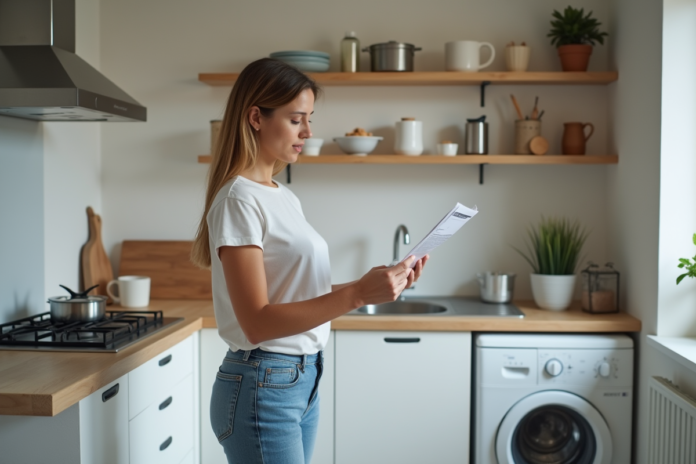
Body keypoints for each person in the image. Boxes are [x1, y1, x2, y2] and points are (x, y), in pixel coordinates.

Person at [191, 58, 428, 464]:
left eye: (309, 119)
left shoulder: (281, 195)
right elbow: (257, 322)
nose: (308, 132)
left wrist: (376, 285)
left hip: (300, 379)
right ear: (256, 117)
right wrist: (356, 295)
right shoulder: (238, 200)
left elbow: (298, 295)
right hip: (264, 383)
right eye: (297, 119)